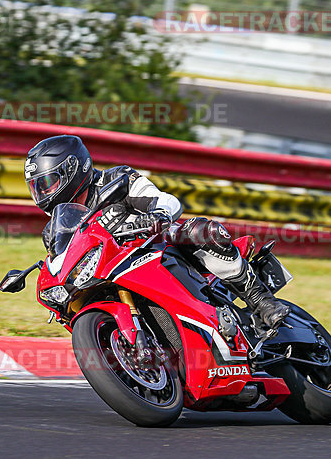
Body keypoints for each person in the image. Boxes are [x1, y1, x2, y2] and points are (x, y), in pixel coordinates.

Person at [25, 134, 290, 328]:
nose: (43, 193)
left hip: (154, 243)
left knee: (200, 231)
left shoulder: (117, 179)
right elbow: (63, 261)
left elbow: (163, 200)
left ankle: (261, 301)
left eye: (48, 183)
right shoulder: (54, 229)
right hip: (109, 271)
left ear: (73, 169)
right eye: (37, 187)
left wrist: (158, 216)